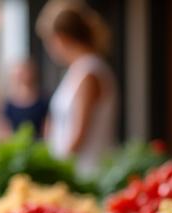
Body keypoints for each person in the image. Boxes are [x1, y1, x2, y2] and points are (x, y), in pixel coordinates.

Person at [37, 0, 118, 179]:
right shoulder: (78, 70)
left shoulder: (90, 73)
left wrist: (54, 169)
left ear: (60, 38)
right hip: (73, 173)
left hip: (86, 175)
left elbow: (79, 133)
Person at [0, 59, 49, 138]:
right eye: (19, 75)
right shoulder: (8, 104)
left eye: (23, 73)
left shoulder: (43, 101)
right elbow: (2, 129)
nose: (22, 77)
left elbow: (47, 129)